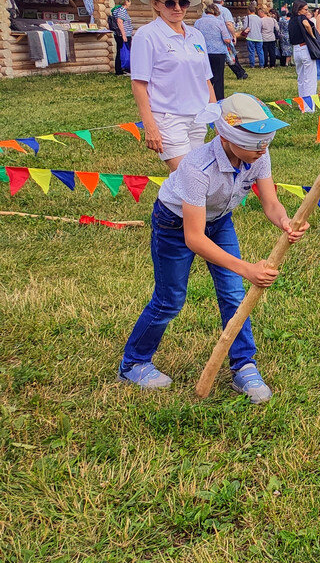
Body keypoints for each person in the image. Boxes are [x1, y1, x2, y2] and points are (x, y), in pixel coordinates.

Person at [118, 93, 307, 402]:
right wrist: (248, 269)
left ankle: (244, 367)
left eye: (266, 142)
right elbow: (194, 237)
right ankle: (134, 363)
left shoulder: (259, 155)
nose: (262, 149)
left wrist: (286, 221)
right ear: (226, 136)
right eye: (254, 143)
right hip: (175, 225)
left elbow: (271, 203)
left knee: (234, 294)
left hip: (218, 220)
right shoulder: (197, 167)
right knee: (170, 299)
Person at [130, 0, 216, 172]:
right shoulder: (147, 35)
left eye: (183, 3)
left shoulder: (196, 35)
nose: (178, 8)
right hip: (168, 118)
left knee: (197, 179)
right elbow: (139, 83)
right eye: (170, 3)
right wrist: (150, 125)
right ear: (156, 4)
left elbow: (206, 80)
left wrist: (216, 115)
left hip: (198, 116)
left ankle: (169, 203)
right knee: (189, 178)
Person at [194, 3, 234, 101]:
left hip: (203, 52)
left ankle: (205, 97)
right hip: (218, 52)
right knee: (218, 77)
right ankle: (219, 97)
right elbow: (226, 39)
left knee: (205, 77)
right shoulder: (219, 22)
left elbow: (195, 37)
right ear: (216, 12)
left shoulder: (198, 22)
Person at [288, 0, 320, 99]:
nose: (307, 12)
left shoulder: (291, 20)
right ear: (299, 10)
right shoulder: (302, 17)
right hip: (305, 48)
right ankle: (309, 106)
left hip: (296, 50)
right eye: (305, 9)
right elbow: (307, 25)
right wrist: (312, 36)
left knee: (301, 78)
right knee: (310, 79)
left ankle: (301, 103)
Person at [212, 0, 248, 80]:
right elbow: (229, 24)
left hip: (212, 38)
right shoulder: (224, 10)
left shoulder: (208, 11)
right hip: (224, 37)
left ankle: (214, 76)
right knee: (231, 56)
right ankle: (240, 73)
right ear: (222, 1)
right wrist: (233, 35)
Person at [110, 0, 135, 75]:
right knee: (124, 51)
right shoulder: (122, 10)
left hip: (120, 34)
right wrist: (124, 34)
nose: (130, 3)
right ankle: (123, 69)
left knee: (121, 51)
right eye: (129, 1)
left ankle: (120, 69)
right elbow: (119, 22)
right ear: (126, 2)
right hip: (123, 35)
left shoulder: (117, 10)